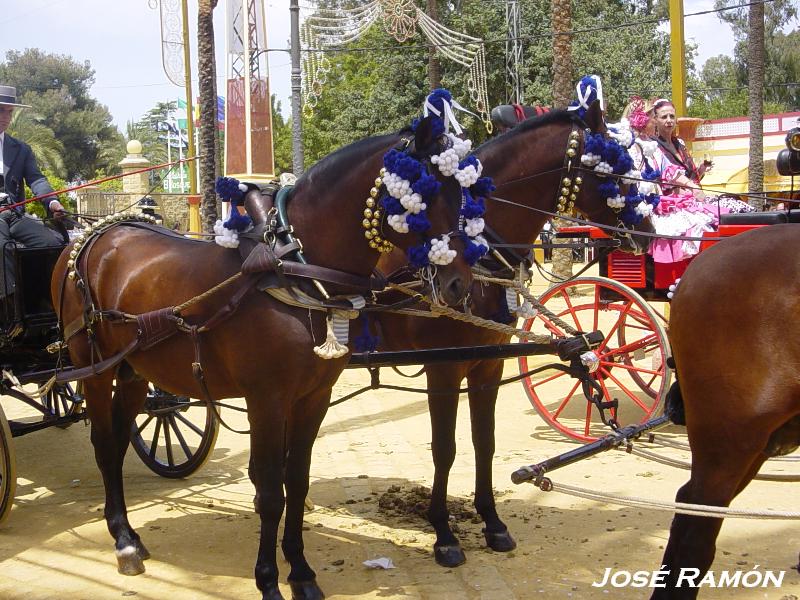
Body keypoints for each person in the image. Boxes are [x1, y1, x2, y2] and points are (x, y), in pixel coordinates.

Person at [0, 85, 66, 322]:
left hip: (14, 214)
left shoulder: (21, 149)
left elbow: (36, 179)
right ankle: (9, 308)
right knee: (2, 247)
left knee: (53, 242)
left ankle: (39, 300)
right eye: (1, 111)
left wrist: (53, 202)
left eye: (9, 112)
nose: (6, 117)